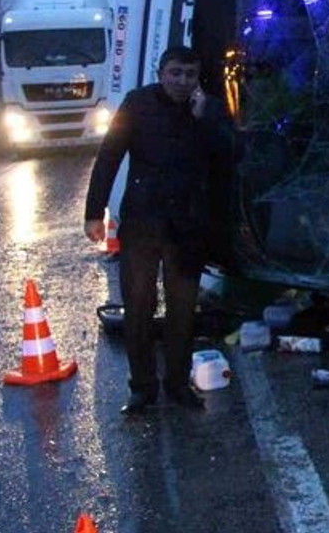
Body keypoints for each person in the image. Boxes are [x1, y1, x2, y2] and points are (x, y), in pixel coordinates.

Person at [84, 45, 228, 415]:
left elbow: (232, 155)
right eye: (175, 73)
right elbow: (109, 156)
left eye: (189, 74)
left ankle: (178, 385)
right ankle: (142, 388)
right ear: (161, 73)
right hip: (142, 225)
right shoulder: (137, 104)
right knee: (138, 307)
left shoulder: (207, 110)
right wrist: (94, 212)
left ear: (198, 78)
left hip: (188, 228)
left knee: (182, 312)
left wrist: (205, 119)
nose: (182, 81)